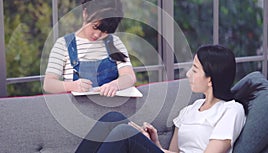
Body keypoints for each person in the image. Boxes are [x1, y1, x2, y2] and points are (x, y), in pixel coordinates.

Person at [75, 44, 258, 153]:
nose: (188, 74)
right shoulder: (190, 109)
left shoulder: (231, 110)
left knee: (124, 132)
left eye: (194, 70)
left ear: (210, 78)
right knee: (112, 119)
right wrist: (152, 144)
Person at [43, 0, 136, 97]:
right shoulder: (63, 44)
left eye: (105, 31)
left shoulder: (115, 42)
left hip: (112, 108)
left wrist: (115, 85)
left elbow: (129, 77)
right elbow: (48, 84)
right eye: (95, 27)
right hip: (75, 109)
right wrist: (72, 86)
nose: (97, 35)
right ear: (85, 13)